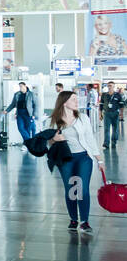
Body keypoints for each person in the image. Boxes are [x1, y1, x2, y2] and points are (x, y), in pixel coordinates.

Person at [50, 89, 105, 235]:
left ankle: (85, 221)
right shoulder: (55, 120)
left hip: (83, 157)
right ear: (64, 102)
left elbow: (90, 139)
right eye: (73, 99)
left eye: (76, 99)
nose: (77, 101)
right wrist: (54, 140)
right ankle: (73, 219)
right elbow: (48, 140)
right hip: (65, 159)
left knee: (82, 189)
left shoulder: (82, 118)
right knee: (70, 190)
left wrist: (100, 161)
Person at [103, 81, 123, 149]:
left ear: (114, 86)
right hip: (107, 113)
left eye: (110, 85)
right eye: (108, 85)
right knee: (106, 129)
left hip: (115, 114)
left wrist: (121, 114)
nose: (109, 87)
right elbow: (101, 105)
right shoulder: (104, 95)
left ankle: (114, 141)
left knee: (115, 129)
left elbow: (121, 105)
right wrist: (100, 114)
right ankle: (106, 143)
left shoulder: (118, 95)